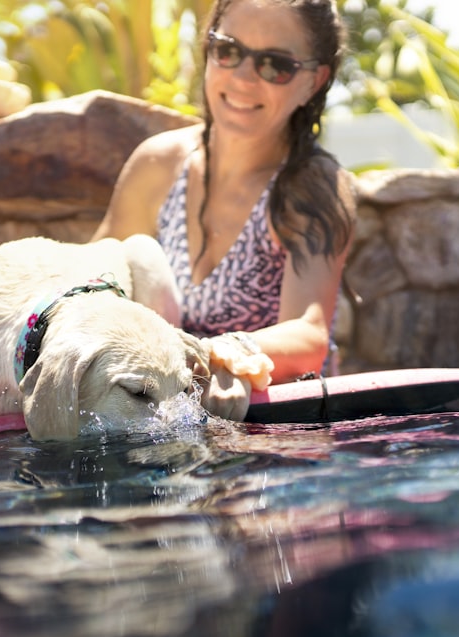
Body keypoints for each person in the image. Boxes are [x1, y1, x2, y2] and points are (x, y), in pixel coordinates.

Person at [92, 0, 356, 419]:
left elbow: (309, 334)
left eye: (276, 65)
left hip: (279, 433)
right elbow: (95, 285)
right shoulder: (157, 165)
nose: (243, 77)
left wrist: (230, 350)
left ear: (313, 81)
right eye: (228, 51)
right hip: (161, 422)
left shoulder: (312, 188)